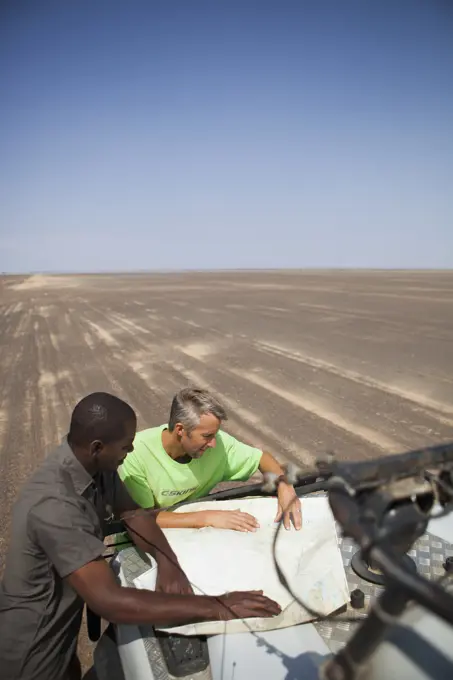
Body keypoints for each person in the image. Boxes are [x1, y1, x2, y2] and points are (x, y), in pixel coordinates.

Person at [0, 392, 280, 680]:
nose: (132, 450)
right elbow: (108, 600)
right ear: (97, 447)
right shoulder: (56, 505)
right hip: (34, 640)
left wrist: (168, 560)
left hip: (63, 620)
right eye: (125, 445)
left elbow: (133, 514)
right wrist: (218, 606)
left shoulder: (94, 464)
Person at [119, 387, 302, 532]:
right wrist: (207, 518)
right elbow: (144, 518)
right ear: (181, 430)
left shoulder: (218, 443)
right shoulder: (136, 455)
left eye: (215, 434)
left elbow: (261, 458)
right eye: (207, 436)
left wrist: (284, 485)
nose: (214, 443)